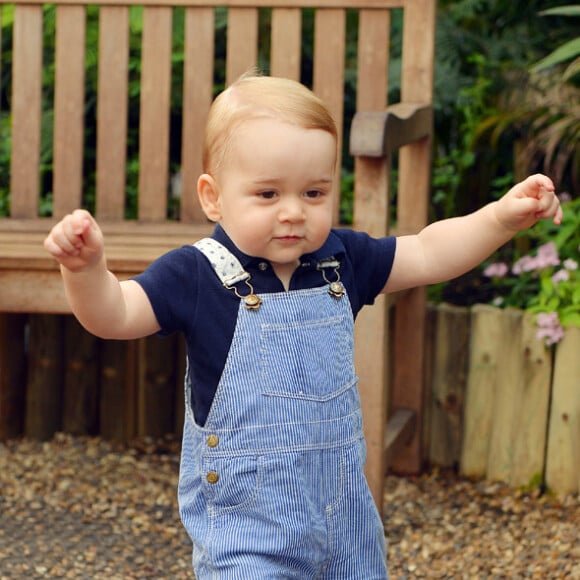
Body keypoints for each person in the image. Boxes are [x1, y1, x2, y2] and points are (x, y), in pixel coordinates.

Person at [44, 73, 562, 579]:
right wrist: (85, 270)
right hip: (248, 535)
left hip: (345, 525)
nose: (293, 212)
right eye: (268, 195)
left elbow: (426, 252)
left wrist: (498, 219)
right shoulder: (197, 275)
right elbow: (113, 314)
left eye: (313, 193)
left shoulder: (340, 260)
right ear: (213, 197)